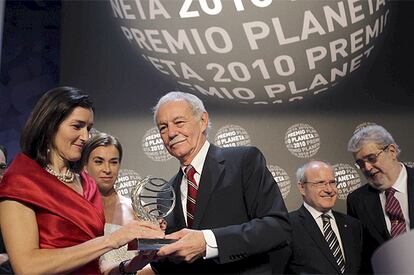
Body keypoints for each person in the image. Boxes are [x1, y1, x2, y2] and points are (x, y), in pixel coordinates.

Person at [0, 86, 164, 274]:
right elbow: (27, 267)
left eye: (89, 128)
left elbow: (95, 266)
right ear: (50, 124)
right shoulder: (21, 181)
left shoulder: (88, 184)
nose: (85, 137)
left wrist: (129, 267)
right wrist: (113, 239)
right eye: (77, 126)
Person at [150, 91, 291, 274]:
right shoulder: (165, 194)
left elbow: (278, 228)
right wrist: (153, 248)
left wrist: (208, 242)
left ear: (202, 121)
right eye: (163, 127)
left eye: (179, 122)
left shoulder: (244, 162)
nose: (171, 133)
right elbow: (173, 265)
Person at [81, 132, 157, 274]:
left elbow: (155, 264)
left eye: (113, 162)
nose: (107, 169)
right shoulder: (75, 211)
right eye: (99, 161)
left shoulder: (138, 209)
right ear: (85, 166)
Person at [346, 124, 414, 273]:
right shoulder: (357, 200)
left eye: (371, 158)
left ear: (392, 151)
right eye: (360, 163)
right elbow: (362, 255)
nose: (367, 168)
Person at [287, 160, 361, 274]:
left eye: (332, 182)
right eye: (320, 183)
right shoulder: (288, 226)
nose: (329, 190)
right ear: (302, 187)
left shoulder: (353, 225)